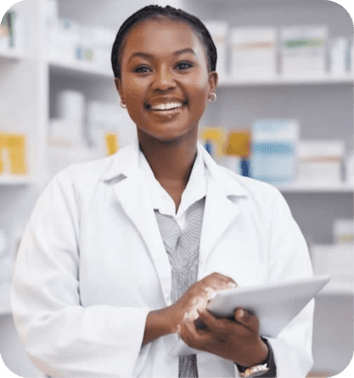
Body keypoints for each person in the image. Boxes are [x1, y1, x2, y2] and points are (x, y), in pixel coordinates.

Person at [11, 4, 314, 378]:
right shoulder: (71, 195)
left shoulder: (264, 206)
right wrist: (164, 319)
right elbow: (43, 332)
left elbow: (295, 347)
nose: (163, 82)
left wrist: (251, 353)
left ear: (212, 83)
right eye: (142, 69)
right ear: (120, 89)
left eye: (183, 65)